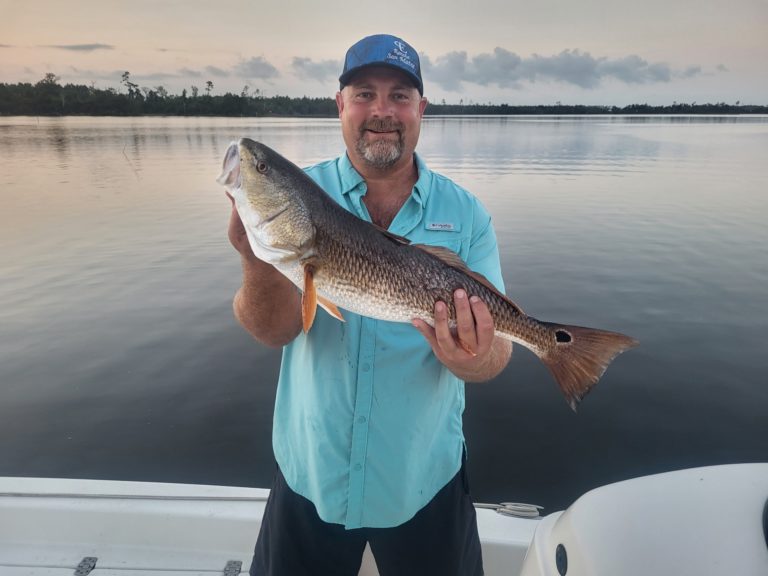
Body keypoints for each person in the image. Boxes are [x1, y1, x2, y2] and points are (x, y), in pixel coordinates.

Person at [227, 33, 513, 576]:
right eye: (364, 93)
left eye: (400, 95)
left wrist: (472, 358)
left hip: (422, 481)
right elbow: (272, 331)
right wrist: (255, 258)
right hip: (310, 477)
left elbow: (497, 352)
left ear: (421, 109)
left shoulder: (467, 215)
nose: (382, 110)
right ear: (340, 105)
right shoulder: (299, 195)